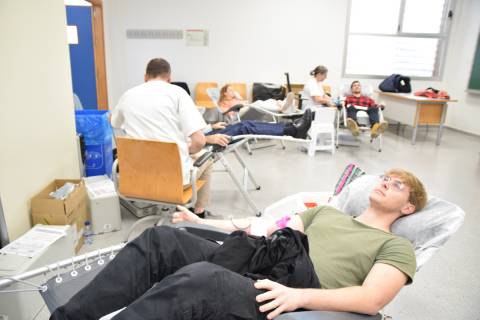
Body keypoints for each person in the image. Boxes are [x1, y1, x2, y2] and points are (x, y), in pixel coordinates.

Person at [50, 169, 427, 320]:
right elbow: (265, 230)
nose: (386, 182)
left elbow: (372, 300)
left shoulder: (396, 247)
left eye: (398, 185)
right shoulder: (325, 213)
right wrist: (202, 223)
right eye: (386, 177)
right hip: (265, 263)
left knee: (203, 279)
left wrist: (299, 298)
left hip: (290, 293)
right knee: (161, 239)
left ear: (408, 207)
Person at [111, 58, 228, 217]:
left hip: (135, 180)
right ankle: (198, 212)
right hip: (173, 182)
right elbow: (199, 141)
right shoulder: (177, 93)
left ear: (145, 77)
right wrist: (185, 150)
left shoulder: (128, 95)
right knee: (207, 158)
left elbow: (114, 122)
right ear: (169, 79)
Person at [203, 109, 313, 140]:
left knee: (245, 123)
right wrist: (207, 139)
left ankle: (289, 126)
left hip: (207, 134)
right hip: (207, 140)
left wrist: (210, 127)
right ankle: (293, 131)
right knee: (245, 128)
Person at [218, 84, 296, 120]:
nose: (233, 91)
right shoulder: (223, 102)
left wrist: (239, 98)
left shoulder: (235, 99)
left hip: (244, 110)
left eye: (233, 90)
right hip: (237, 115)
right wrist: (239, 105)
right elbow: (224, 112)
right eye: (230, 90)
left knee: (270, 100)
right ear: (225, 93)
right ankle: (282, 108)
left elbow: (244, 103)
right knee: (258, 103)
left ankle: (285, 105)